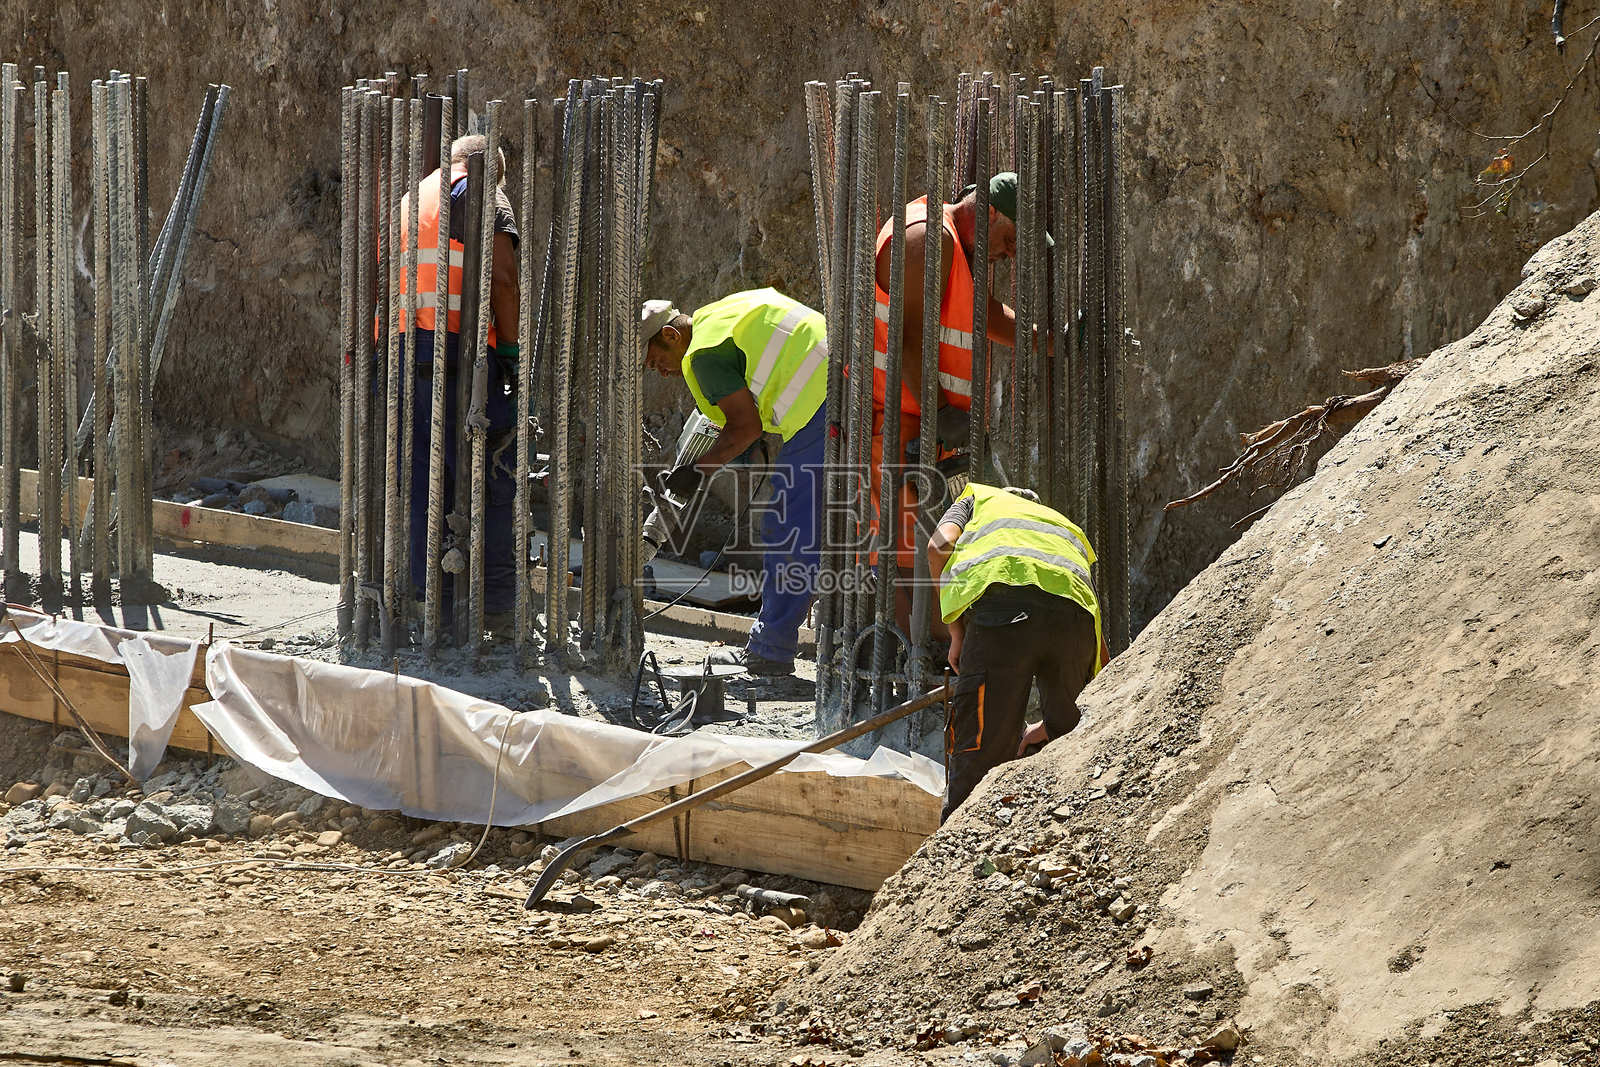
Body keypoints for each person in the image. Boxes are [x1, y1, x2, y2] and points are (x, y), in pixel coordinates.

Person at [870, 172, 1036, 623]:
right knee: (907, 558)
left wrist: (1051, 340)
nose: (1012, 251)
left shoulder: (958, 251)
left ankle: (931, 661)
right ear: (991, 211)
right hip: (901, 417)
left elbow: (983, 314)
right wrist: (939, 410)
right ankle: (913, 670)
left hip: (929, 423)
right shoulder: (928, 238)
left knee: (934, 549)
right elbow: (905, 337)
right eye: (1012, 237)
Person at [643, 288, 828, 677]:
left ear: (671, 336)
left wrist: (697, 471)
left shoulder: (701, 358)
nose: (657, 370)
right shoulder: (717, 319)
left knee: (790, 530)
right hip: (846, 377)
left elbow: (745, 427)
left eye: (654, 359)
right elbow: (719, 423)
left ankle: (769, 651)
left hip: (819, 404)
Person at [396, 134, 521, 633]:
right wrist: (510, 351)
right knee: (492, 475)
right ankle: (494, 605)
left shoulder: (415, 196)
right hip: (460, 355)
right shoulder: (478, 190)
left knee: (426, 484)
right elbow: (505, 278)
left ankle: (430, 606)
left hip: (411, 352)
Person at [927, 482, 1106, 822]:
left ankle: (958, 853)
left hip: (1002, 612)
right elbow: (1098, 639)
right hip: (1077, 622)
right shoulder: (1064, 527)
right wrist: (1058, 722)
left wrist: (956, 630)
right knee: (1074, 744)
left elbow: (939, 547)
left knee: (979, 750)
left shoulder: (977, 498)